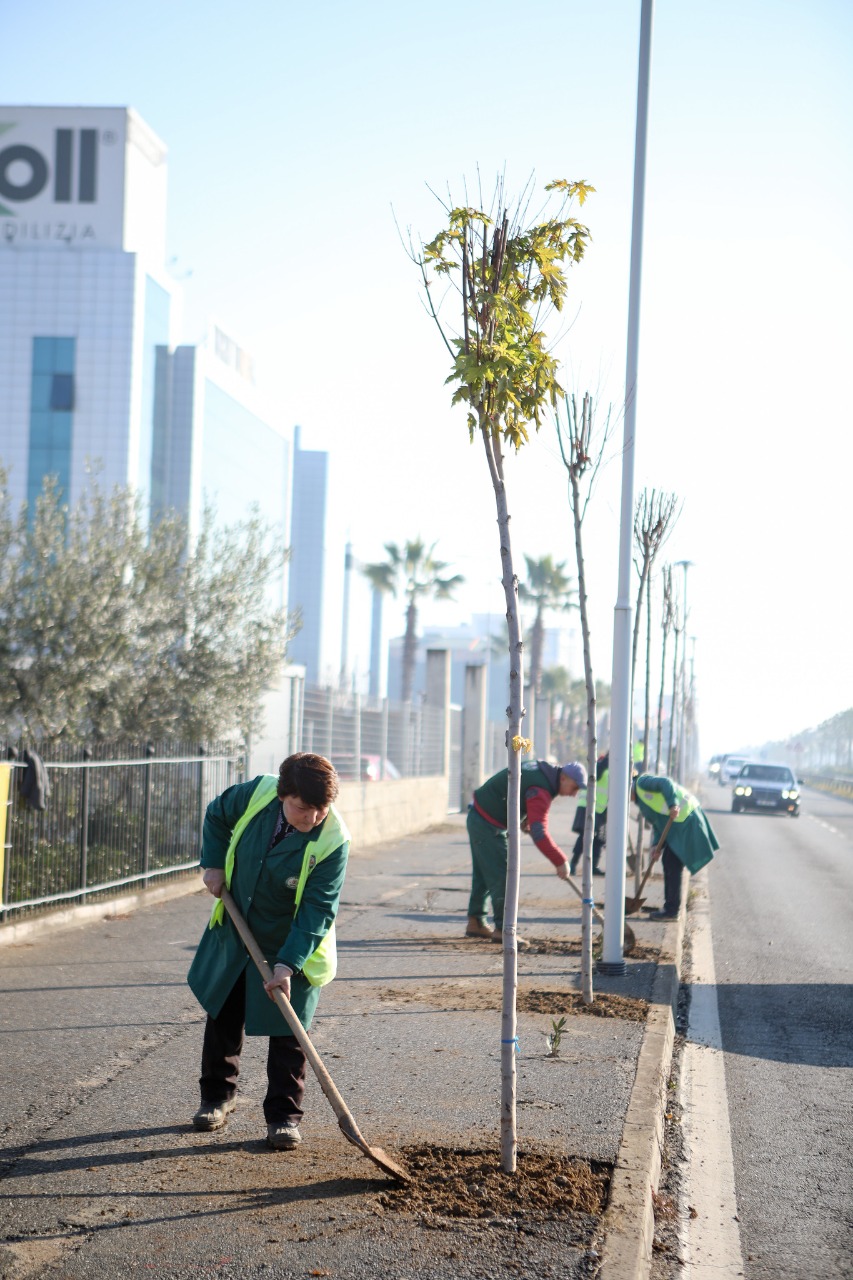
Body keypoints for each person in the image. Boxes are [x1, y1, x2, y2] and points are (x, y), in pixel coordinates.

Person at [187, 752, 349, 1151]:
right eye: (302, 807)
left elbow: (317, 909)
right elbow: (216, 814)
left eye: (320, 809)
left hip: (294, 943)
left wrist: (287, 964)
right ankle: (216, 1100)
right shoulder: (257, 794)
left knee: (289, 1033)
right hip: (238, 925)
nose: (312, 817)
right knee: (224, 1015)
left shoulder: (333, 841)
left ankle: (283, 1118)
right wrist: (212, 863)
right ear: (283, 795)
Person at [465, 759, 588, 946]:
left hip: (479, 816)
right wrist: (560, 860)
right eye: (574, 788)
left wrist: (525, 818)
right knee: (504, 875)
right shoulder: (541, 789)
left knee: (484, 874)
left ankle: (476, 922)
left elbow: (519, 790)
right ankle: (504, 930)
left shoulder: (543, 770)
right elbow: (540, 832)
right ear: (563, 778)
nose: (574, 794)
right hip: (487, 825)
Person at [631, 772, 719, 920]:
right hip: (678, 824)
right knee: (669, 862)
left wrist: (673, 804)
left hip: (687, 817)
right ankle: (670, 908)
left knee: (672, 863)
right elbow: (659, 822)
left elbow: (665, 783)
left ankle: (671, 910)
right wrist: (656, 845)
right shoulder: (640, 802)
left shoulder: (641, 782)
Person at [569, 751, 609, 876]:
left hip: (601, 809)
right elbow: (599, 769)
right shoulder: (600, 766)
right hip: (588, 806)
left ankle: (594, 867)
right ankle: (573, 864)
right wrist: (609, 758)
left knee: (600, 838)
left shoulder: (613, 770)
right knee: (585, 836)